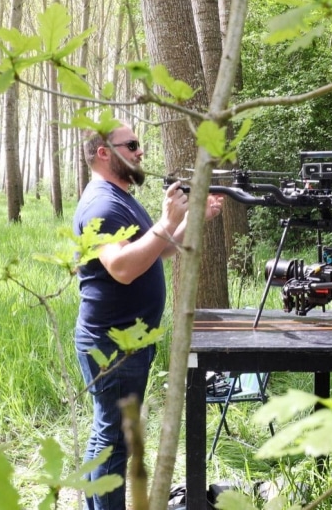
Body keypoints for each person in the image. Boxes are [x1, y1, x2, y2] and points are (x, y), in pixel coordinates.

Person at [72, 124, 223, 510]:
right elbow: (121, 267)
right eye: (132, 145)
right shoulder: (101, 205)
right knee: (115, 441)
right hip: (113, 344)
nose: (141, 152)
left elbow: (155, 251)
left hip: (128, 341)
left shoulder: (121, 197)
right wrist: (166, 219)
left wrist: (190, 221)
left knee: (108, 437)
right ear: (105, 152)